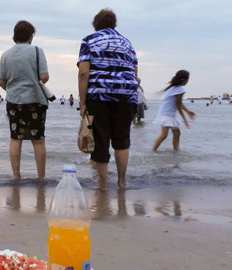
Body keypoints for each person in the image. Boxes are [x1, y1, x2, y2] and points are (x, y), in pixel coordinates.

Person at [78, 9, 138, 190]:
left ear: (95, 24)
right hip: (126, 96)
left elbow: (83, 72)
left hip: (99, 95)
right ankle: (121, 182)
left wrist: (82, 103)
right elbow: (135, 73)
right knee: (122, 140)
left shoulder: (89, 40)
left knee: (101, 139)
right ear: (114, 24)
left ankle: (103, 184)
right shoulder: (127, 43)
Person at [0, 20, 49, 180]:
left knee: (15, 138)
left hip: (14, 101)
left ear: (15, 36)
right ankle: (41, 177)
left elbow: (1, 82)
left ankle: (16, 176)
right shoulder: (37, 51)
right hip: (35, 100)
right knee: (38, 140)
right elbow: (44, 77)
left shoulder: (6, 54)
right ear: (31, 35)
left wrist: (13, 89)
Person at [152, 70, 196, 151]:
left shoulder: (172, 88)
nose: (188, 81)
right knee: (164, 135)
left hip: (167, 113)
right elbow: (178, 105)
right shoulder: (179, 89)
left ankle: (176, 152)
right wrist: (185, 119)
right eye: (188, 79)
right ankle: (152, 151)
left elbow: (178, 103)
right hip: (167, 114)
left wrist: (187, 111)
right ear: (184, 79)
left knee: (177, 133)